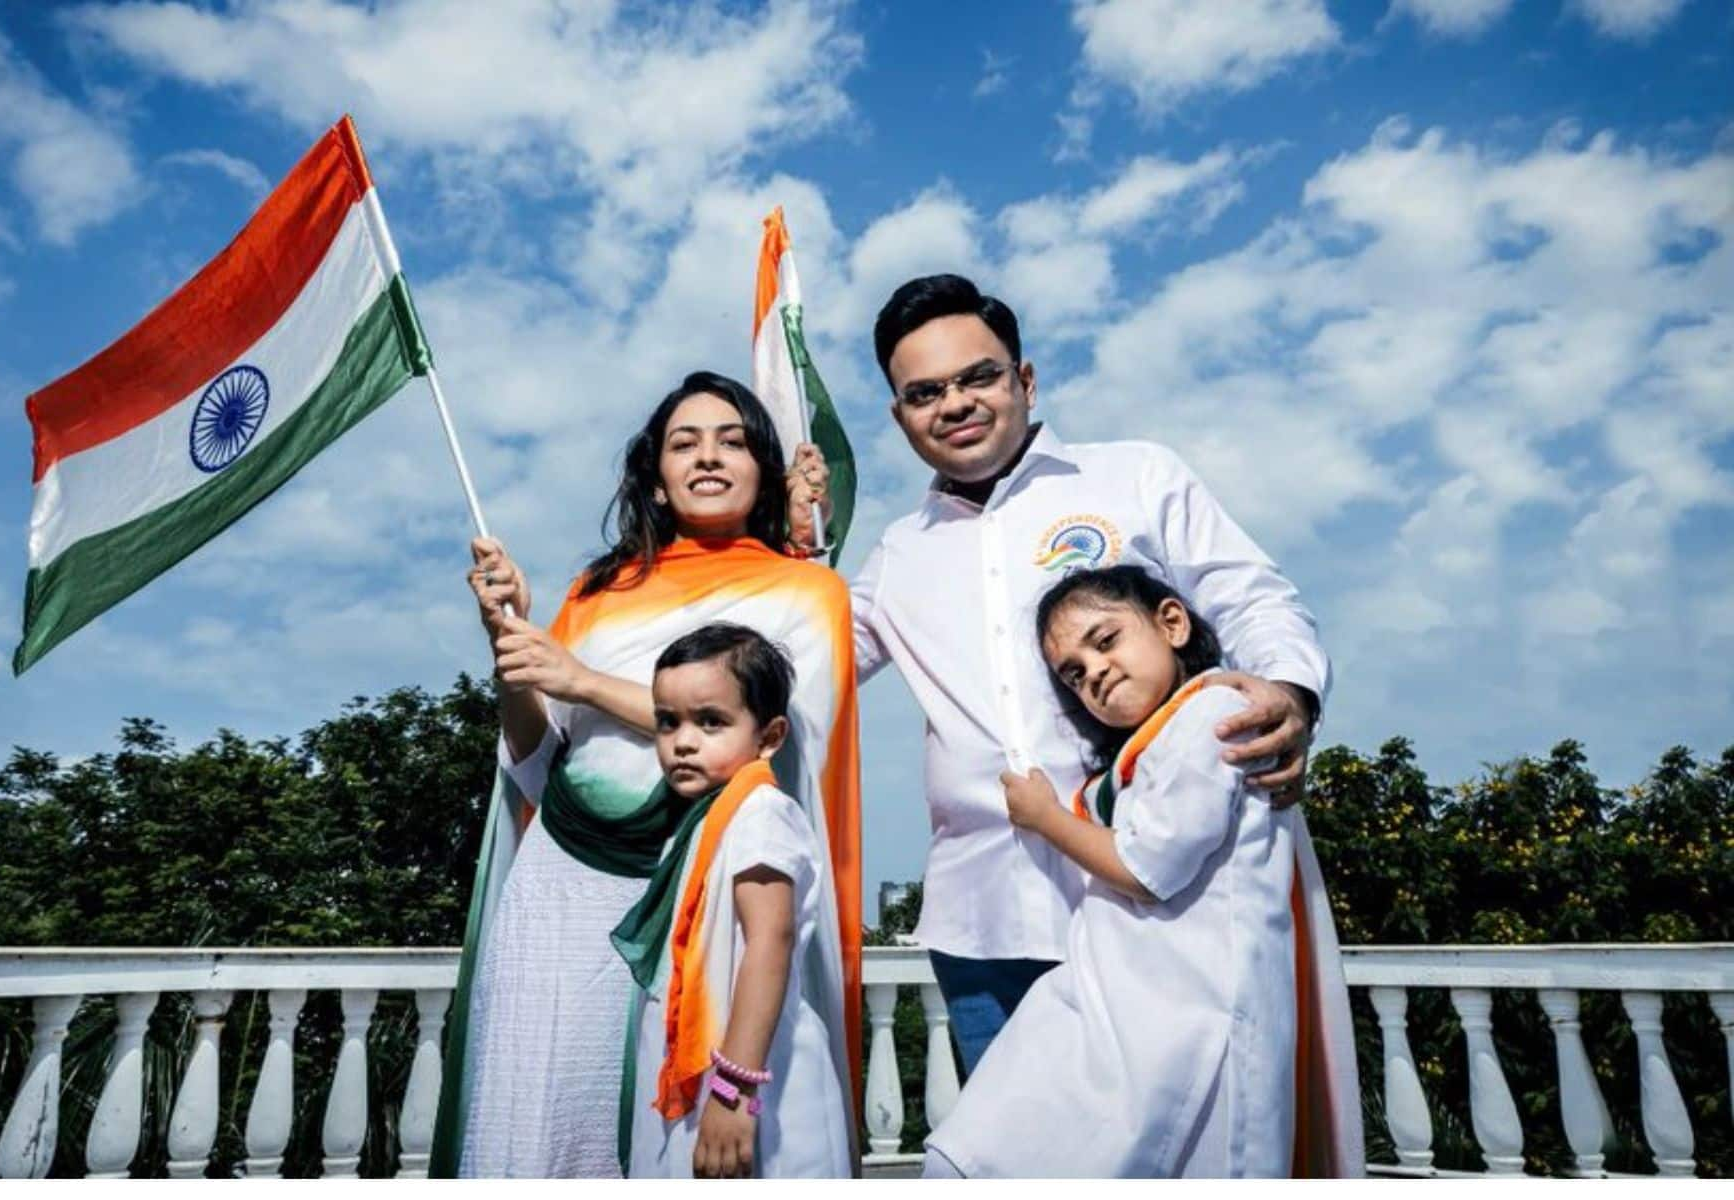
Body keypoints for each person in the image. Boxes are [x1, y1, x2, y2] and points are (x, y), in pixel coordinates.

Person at [839, 274, 1332, 1071]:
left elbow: (1253, 597)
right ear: (901, 418)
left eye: (978, 376)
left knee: (1175, 1153)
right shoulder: (897, 557)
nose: (955, 403)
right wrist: (784, 552)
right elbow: (794, 670)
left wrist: (1290, 688)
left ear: (1024, 380)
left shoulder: (1136, 476)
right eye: (925, 392)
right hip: (983, 930)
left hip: (1163, 899)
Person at [428, 372, 861, 1178]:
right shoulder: (597, 592)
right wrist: (512, 649)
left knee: (662, 1131)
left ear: (764, 470)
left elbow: (772, 734)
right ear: (654, 481)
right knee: (539, 1112)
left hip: (698, 887)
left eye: (732, 440)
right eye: (683, 443)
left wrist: (579, 679)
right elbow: (533, 755)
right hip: (559, 887)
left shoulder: (808, 591)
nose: (707, 456)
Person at [921, 565, 1362, 1177]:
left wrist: (1045, 817)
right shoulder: (1156, 742)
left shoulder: (1215, 714)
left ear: (1172, 623)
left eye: (1105, 641)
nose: (1093, 672)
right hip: (1130, 1008)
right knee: (973, 1151)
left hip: (1184, 1016)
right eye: (1073, 673)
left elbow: (1147, 867)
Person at [613, 623, 854, 1179]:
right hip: (713, 1085)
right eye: (667, 721)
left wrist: (733, 1090)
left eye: (711, 721)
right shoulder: (701, 824)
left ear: (769, 738)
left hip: (751, 1085)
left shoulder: (761, 814)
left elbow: (770, 941)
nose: (684, 740)